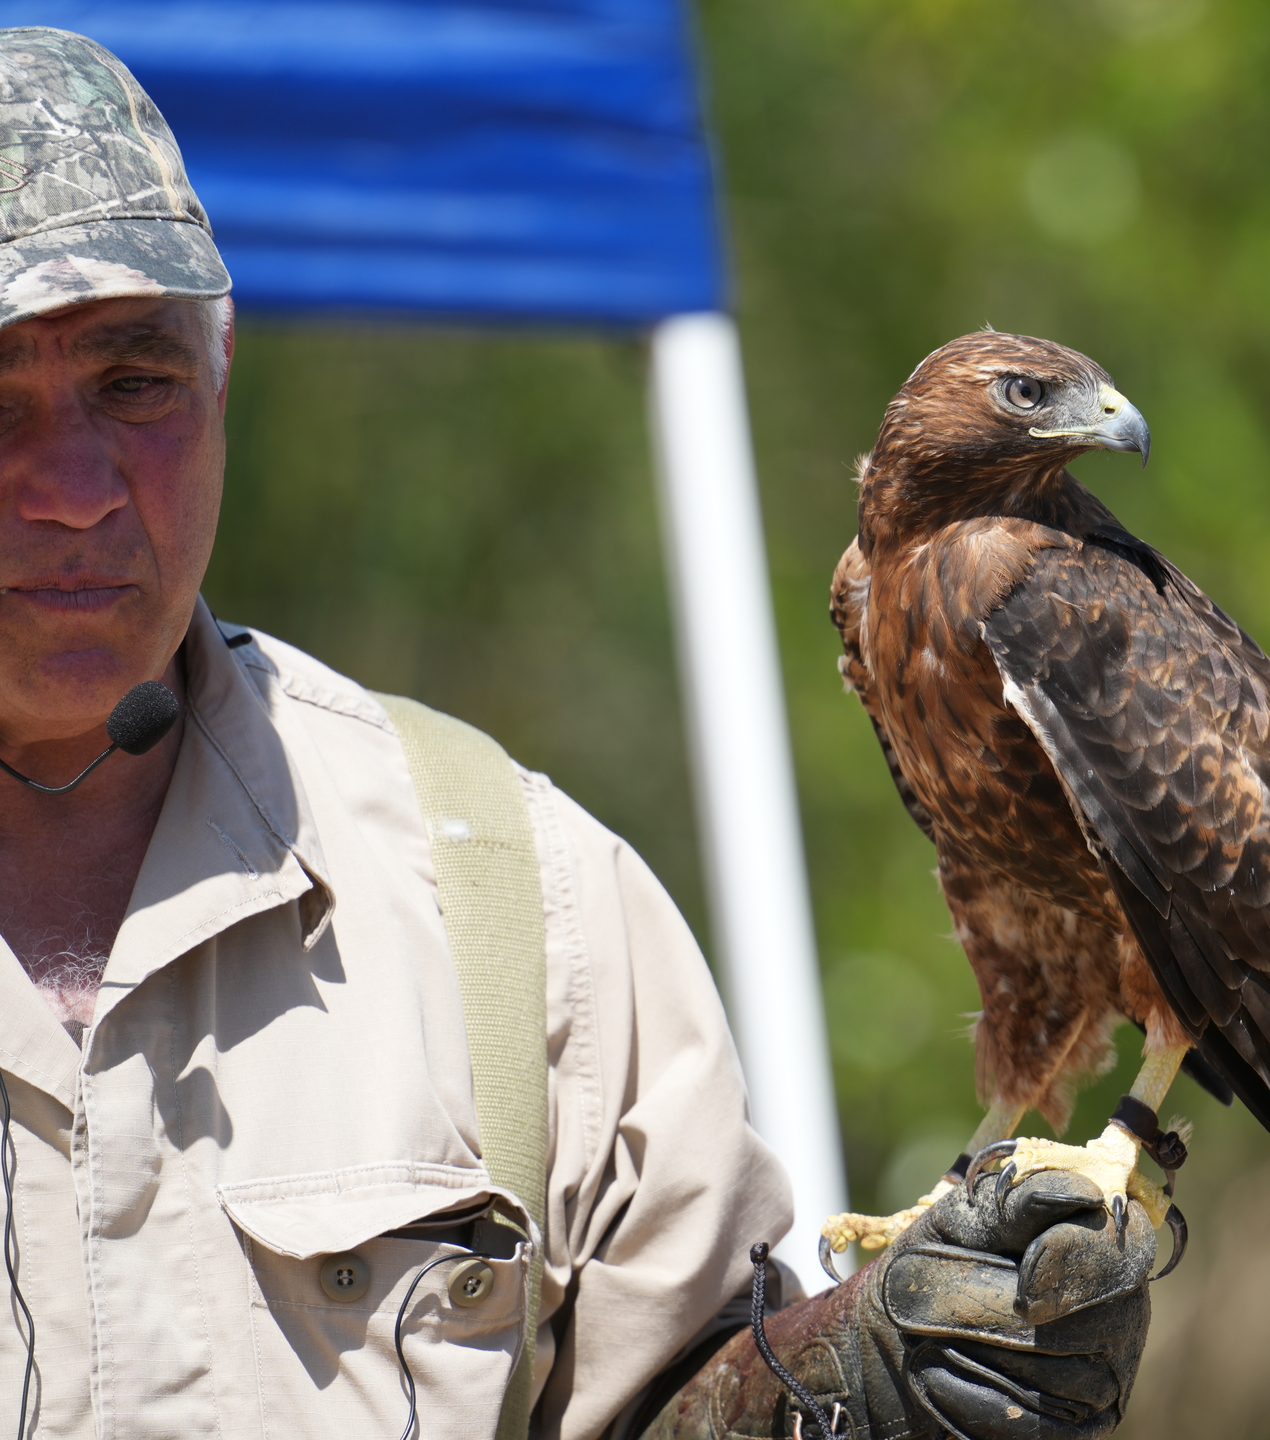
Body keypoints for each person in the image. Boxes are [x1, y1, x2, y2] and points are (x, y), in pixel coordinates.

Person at [0, 28, 1150, 1440]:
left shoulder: (513, 899)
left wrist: (870, 1374)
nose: (67, 488)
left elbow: (680, 1397)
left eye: (135, 386)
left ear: (224, 380)